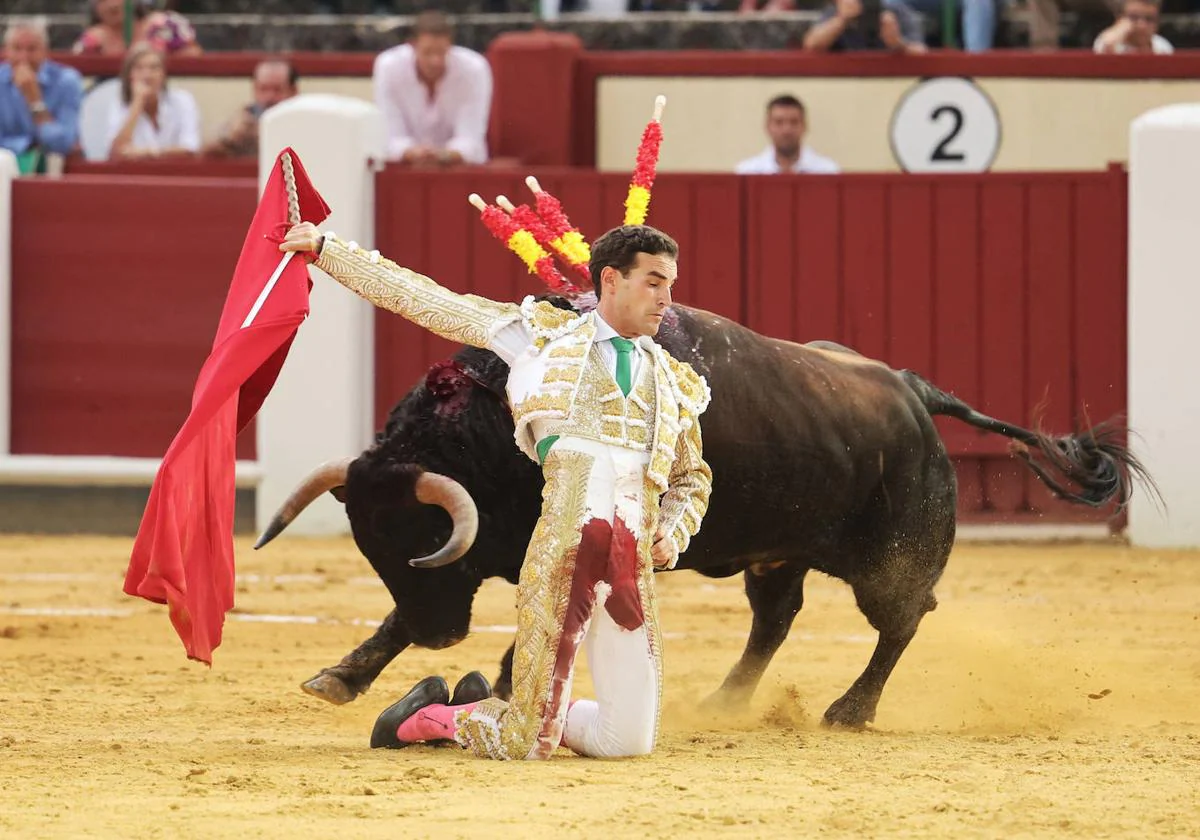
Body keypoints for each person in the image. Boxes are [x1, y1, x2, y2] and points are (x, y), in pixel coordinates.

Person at [277, 219, 712, 761]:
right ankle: (431, 717)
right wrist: (327, 251)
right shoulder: (541, 338)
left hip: (629, 573)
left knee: (628, 743)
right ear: (610, 281)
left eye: (670, 283)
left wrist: (673, 530)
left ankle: (517, 710)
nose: (667, 299)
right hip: (562, 565)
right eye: (653, 281)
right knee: (525, 746)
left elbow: (693, 477)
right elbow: (424, 298)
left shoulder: (673, 380)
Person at [372, 10, 493, 166]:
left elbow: (471, 138)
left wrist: (443, 156)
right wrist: (412, 152)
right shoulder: (388, 66)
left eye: (442, 52)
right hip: (404, 168)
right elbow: (389, 135)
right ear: (413, 46)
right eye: (428, 52)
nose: (435, 61)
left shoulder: (474, 69)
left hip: (459, 169)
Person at [0, 17, 83, 167]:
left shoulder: (66, 81)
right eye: (17, 49)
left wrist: (35, 101)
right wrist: (29, 145)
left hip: (55, 168)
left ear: (45, 51)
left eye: (31, 49)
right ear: (6, 51)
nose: (23, 57)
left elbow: (63, 143)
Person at [105, 42, 201, 159]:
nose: (147, 75)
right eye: (139, 68)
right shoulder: (119, 104)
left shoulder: (183, 100)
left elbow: (190, 148)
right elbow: (115, 154)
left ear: (163, 74)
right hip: (133, 174)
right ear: (129, 75)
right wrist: (137, 104)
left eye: (154, 68)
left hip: (175, 172)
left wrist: (148, 153)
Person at [204, 59, 298, 158]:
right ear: (254, 89)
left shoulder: (303, 120)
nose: (269, 97)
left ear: (293, 91)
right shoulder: (244, 118)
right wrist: (230, 138)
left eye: (277, 89)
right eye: (263, 89)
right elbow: (207, 152)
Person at [735, 94, 839, 175]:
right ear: (767, 127)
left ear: (804, 126)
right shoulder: (747, 171)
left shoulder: (827, 171)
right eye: (779, 122)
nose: (786, 130)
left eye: (794, 122)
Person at [1093, 0, 1173, 53]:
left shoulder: (1162, 46)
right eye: (1134, 17)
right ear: (1119, 19)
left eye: (1149, 19)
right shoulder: (1107, 41)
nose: (1142, 26)